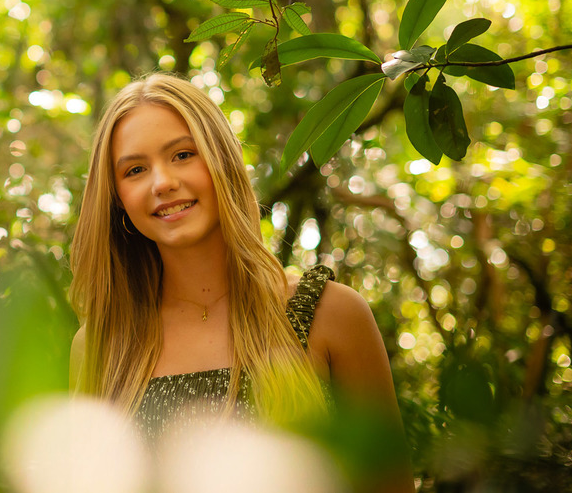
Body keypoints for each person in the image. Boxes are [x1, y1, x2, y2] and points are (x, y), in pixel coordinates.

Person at [68, 73, 413, 491]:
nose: (162, 183)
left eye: (181, 155)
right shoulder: (101, 345)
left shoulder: (331, 314)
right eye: (136, 169)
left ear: (222, 161)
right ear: (117, 198)